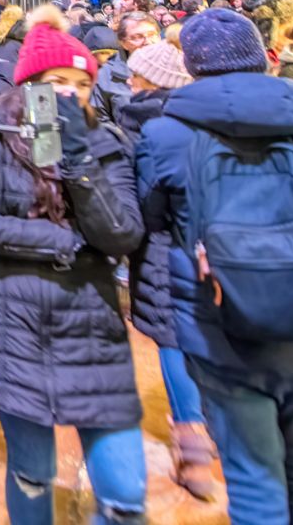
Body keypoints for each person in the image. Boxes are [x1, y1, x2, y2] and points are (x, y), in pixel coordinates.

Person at [137, 9, 293, 525]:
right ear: (261, 57)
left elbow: (151, 218)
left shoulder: (166, 135)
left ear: (191, 65)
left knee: (253, 476)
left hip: (223, 328)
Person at [0, 9, 147, 525]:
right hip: (13, 325)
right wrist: (63, 241)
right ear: (30, 84)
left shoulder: (102, 141)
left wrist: (79, 163)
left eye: (82, 85)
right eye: (57, 82)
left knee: (125, 495)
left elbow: (122, 233)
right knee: (31, 472)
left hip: (91, 327)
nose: (70, 94)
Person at [113, 42, 219, 501]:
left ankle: (192, 440)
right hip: (214, 243)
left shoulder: (142, 123)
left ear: (149, 81)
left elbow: (143, 201)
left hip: (161, 246)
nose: (128, 81)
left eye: (135, 75)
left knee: (173, 338)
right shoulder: (210, 118)